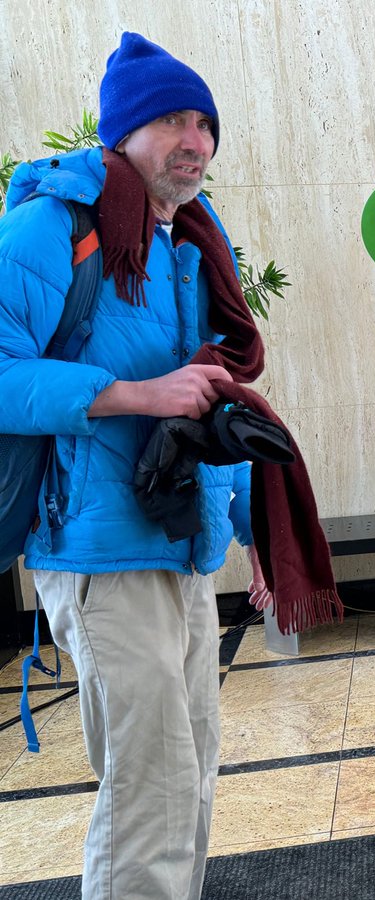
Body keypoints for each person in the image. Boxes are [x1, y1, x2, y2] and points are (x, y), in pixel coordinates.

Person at [0, 33, 297, 898]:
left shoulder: (190, 243)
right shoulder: (51, 226)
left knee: (191, 767)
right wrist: (136, 394)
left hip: (180, 540)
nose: (194, 141)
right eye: (172, 120)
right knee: (151, 786)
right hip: (97, 548)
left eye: (205, 124)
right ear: (122, 131)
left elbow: (208, 400)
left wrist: (253, 534)